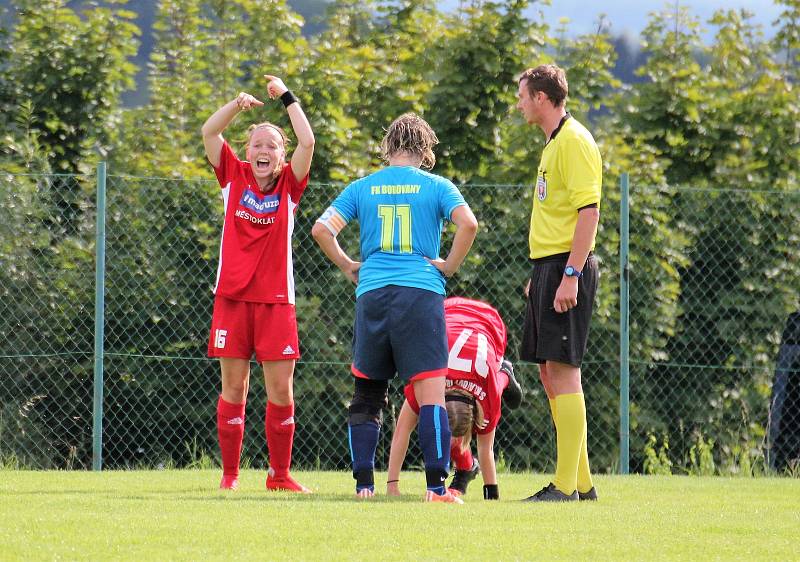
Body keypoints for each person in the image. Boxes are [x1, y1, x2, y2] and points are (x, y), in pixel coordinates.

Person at [311, 113, 478, 503]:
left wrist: (348, 264)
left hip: (372, 293)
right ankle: (436, 489)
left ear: (388, 147)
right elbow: (467, 224)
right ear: (424, 148)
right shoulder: (437, 186)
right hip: (420, 293)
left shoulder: (363, 187)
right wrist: (450, 266)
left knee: (367, 394)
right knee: (432, 396)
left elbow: (321, 228)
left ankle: (364, 486)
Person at [201, 75, 315, 492]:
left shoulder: (289, 186)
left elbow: (308, 142)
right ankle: (230, 476)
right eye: (257, 144)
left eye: (272, 146)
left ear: (282, 158)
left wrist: (285, 96)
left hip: (276, 302)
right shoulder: (233, 176)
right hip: (232, 299)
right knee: (234, 388)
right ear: (247, 152)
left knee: (281, 392)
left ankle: (279, 475)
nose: (264, 150)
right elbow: (209, 132)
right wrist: (237, 105)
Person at [515, 64, 602, 502]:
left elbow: (590, 212)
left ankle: (564, 486)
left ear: (543, 99)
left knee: (566, 372)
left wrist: (569, 274)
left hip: (567, 268)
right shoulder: (552, 143)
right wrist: (541, 276)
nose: (519, 103)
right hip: (548, 268)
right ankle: (582, 484)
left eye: (523, 95)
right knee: (550, 373)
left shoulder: (575, 141)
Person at [386, 297, 524, 500]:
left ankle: (505, 373)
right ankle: (467, 468)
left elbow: (486, 449)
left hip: (489, 323)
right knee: (444, 437)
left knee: (495, 383)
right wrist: (392, 485)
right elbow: (401, 431)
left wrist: (492, 496)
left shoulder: (487, 399)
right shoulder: (427, 385)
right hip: (448, 311)